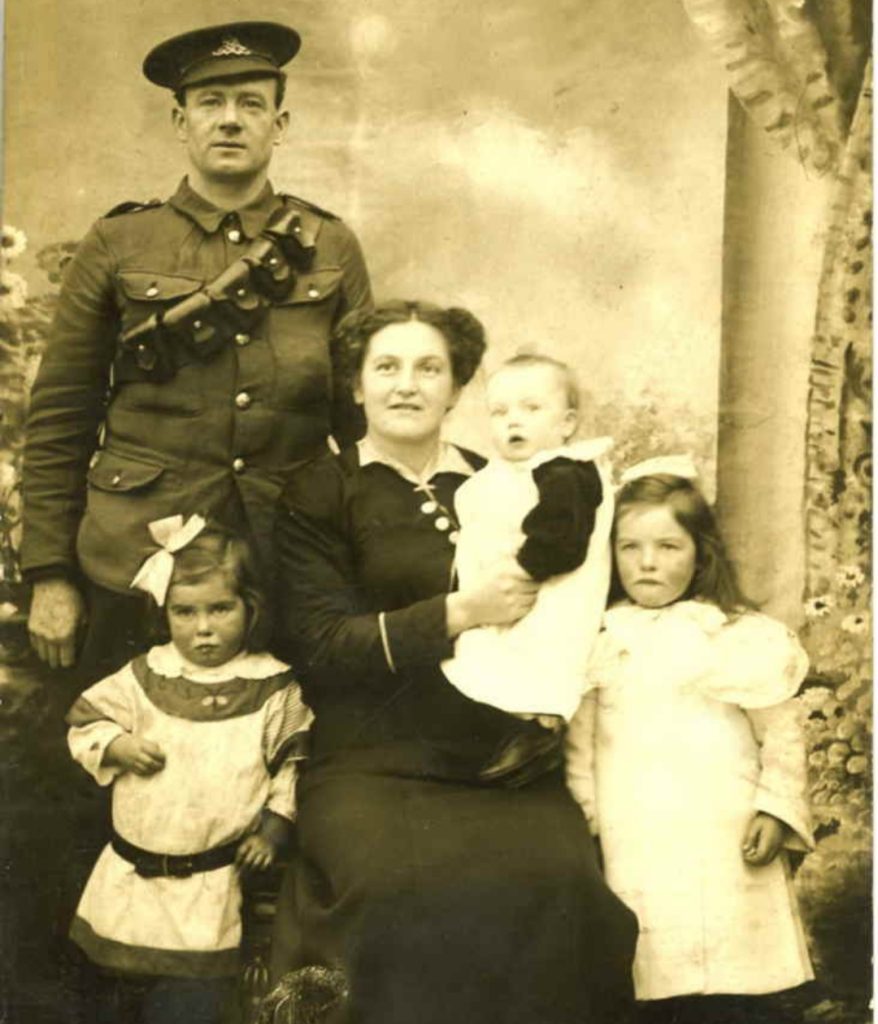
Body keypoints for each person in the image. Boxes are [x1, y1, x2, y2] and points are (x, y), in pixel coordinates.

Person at [272, 299, 638, 1024]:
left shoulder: (506, 477)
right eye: (387, 367)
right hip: (372, 757)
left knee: (563, 884)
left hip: (499, 756)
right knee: (394, 891)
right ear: (355, 386)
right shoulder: (321, 490)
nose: (407, 384)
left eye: (429, 368)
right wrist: (460, 612)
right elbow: (320, 643)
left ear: (456, 386)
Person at [21, 20, 372, 681]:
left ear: (281, 123)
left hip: (287, 558)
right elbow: (61, 419)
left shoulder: (330, 246)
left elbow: (362, 425)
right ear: (181, 122)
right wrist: (50, 575)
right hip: (134, 566)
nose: (231, 121)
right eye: (211, 104)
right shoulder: (120, 243)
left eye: (251, 104)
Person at [566, 456, 815, 1024]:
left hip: (722, 833)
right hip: (638, 836)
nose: (647, 562)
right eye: (630, 547)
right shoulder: (603, 640)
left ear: (701, 551)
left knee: (736, 975)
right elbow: (579, 752)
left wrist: (774, 809)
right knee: (655, 969)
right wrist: (589, 826)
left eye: (668, 547)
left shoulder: (735, 636)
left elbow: (780, 733)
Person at [66, 519, 312, 1023]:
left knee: (190, 1004)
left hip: (209, 885)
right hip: (130, 880)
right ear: (165, 613)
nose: (202, 628)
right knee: (113, 993)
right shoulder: (144, 675)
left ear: (251, 607)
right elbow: (84, 725)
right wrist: (117, 745)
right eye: (184, 612)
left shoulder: (272, 687)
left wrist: (272, 830)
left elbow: (291, 768)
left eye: (220, 609)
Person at [441, 352, 614, 725]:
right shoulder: (499, 476)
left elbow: (561, 540)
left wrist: (519, 570)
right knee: (483, 660)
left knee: (536, 662)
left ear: (567, 423)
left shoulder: (566, 472)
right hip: (501, 598)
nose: (513, 420)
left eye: (531, 408)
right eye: (499, 412)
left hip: (547, 590)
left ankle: (536, 727)